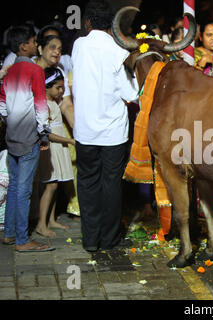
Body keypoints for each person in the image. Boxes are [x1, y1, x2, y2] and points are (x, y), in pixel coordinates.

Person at [71, 0, 139, 252]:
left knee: (87, 183)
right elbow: (131, 94)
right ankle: (109, 239)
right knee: (111, 184)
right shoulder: (117, 51)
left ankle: (90, 239)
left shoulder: (79, 46)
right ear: (111, 26)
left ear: (87, 22)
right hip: (112, 133)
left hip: (85, 131)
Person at [0, 25, 54, 252]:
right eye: (33, 42)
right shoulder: (35, 71)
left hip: (11, 134)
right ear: (24, 46)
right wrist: (44, 133)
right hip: (29, 135)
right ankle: (22, 240)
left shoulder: (10, 71)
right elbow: (41, 106)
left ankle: (10, 234)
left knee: (14, 187)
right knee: (23, 189)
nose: (36, 45)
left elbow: (2, 106)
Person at [36, 67, 75, 238]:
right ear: (46, 86)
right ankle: (41, 224)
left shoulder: (53, 103)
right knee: (50, 185)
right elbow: (46, 134)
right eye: (58, 88)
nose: (61, 91)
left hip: (58, 148)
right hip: (50, 149)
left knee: (55, 184)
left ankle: (50, 220)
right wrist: (69, 141)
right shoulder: (43, 105)